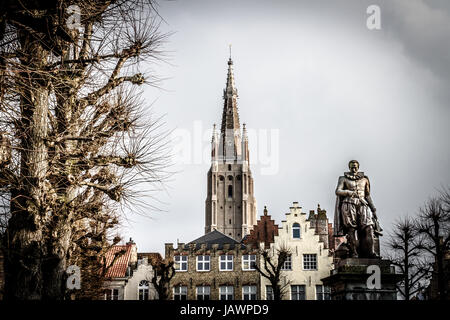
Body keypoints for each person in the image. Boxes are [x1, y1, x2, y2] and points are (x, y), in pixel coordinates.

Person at [334, 160, 382, 258]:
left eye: (355, 167)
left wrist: (373, 209)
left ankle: (371, 252)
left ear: (358, 167)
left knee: (369, 228)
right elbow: (338, 191)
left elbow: (367, 195)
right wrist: (348, 192)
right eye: (352, 167)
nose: (354, 168)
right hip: (348, 204)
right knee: (351, 229)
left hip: (363, 205)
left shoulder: (364, 179)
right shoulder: (343, 178)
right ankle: (354, 253)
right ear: (349, 167)